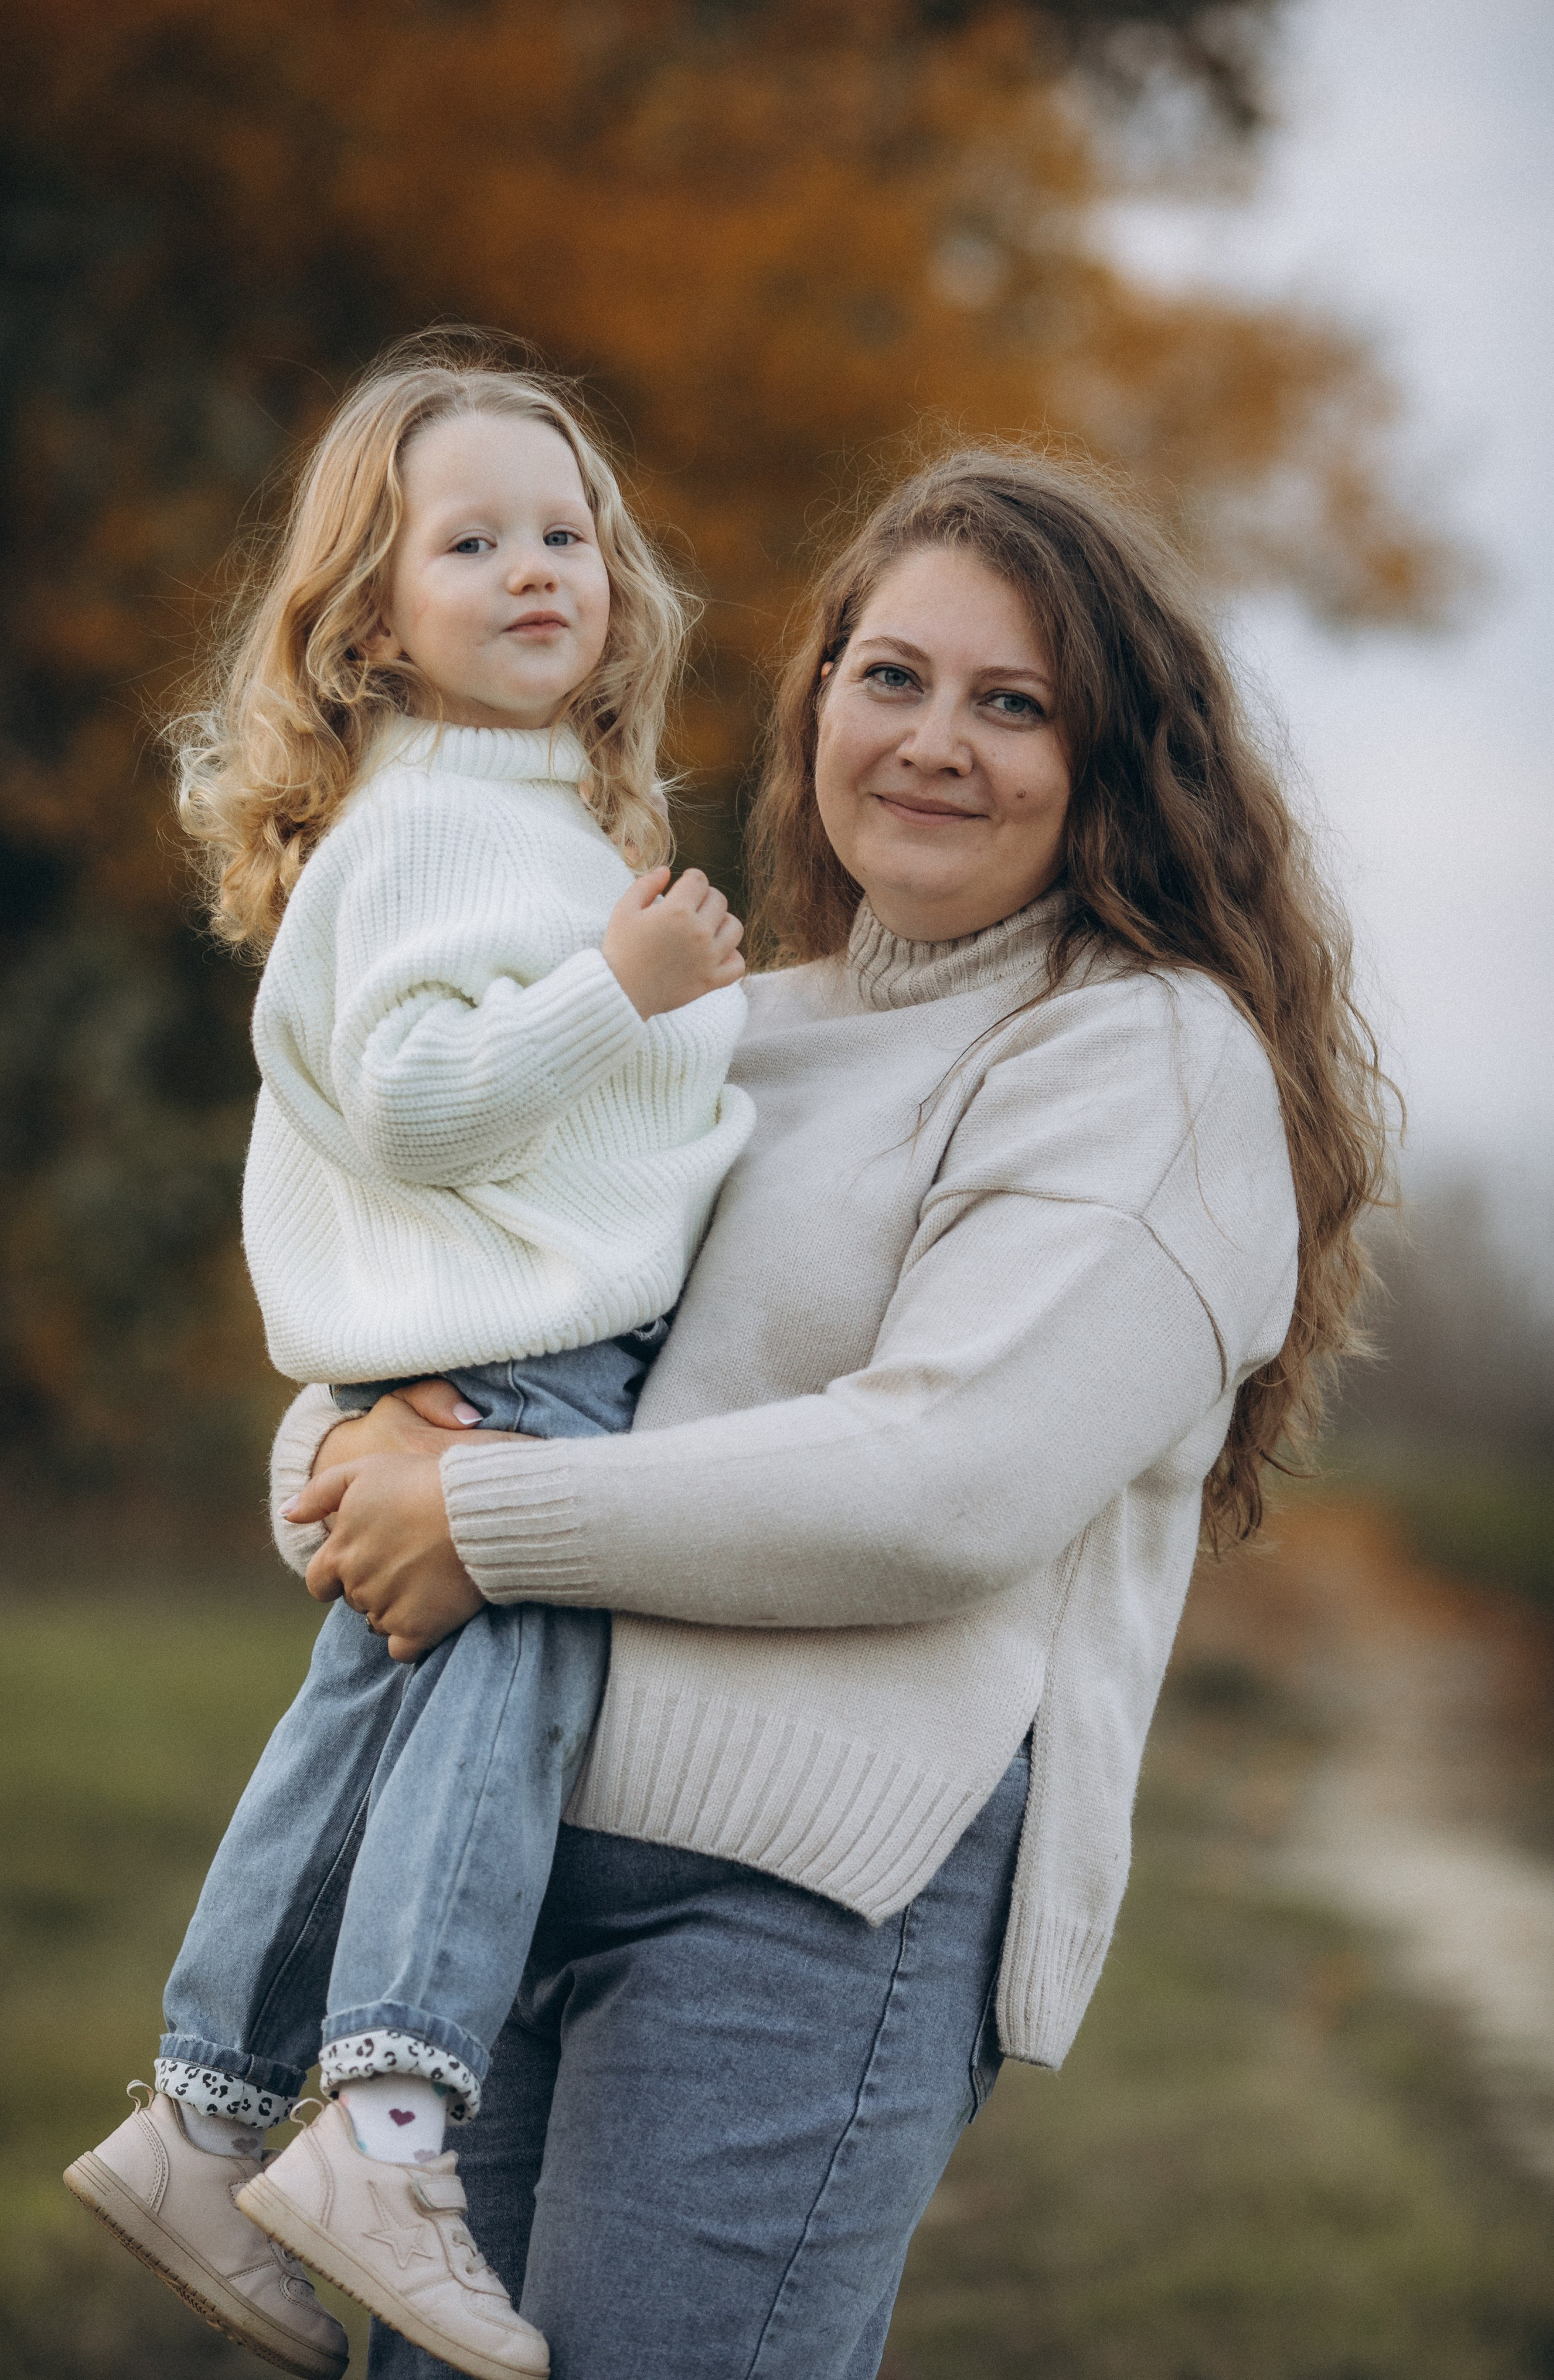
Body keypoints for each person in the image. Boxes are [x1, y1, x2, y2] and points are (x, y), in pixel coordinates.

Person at [274, 448, 1390, 2380]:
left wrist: (481, 1514)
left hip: (809, 1912)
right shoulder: (743, 1024)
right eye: (892, 678)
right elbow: (446, 1314)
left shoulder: (1145, 1057)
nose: (935, 743)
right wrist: (342, 1461)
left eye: (1014, 703)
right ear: (817, 709)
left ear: (1119, 760)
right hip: (508, 1861)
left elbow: (940, 1481)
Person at [62, 337, 752, 2380]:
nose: (542, 568)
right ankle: (383, 2117)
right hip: (521, 1372)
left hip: (489, 1362)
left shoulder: (501, 813)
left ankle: (203, 2116)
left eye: (571, 534)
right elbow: (427, 1106)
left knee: (360, 1738)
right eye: (476, 542)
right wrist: (624, 990)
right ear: (371, 618)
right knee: (487, 1722)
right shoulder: (453, 828)